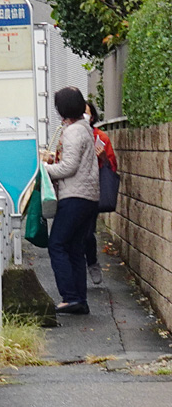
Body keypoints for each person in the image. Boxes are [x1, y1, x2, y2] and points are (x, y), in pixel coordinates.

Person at [42, 86, 100, 315]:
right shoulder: (84, 128)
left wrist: (44, 169)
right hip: (89, 197)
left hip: (75, 195)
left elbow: (68, 167)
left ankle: (70, 297)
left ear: (62, 108)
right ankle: (79, 300)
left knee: (57, 244)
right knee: (75, 248)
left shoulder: (73, 131)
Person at [84, 100, 118, 285]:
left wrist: (103, 156)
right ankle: (78, 269)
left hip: (92, 192)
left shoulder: (101, 137)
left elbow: (112, 167)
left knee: (87, 232)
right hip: (70, 192)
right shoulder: (67, 136)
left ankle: (92, 263)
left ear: (93, 117)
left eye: (86, 113)